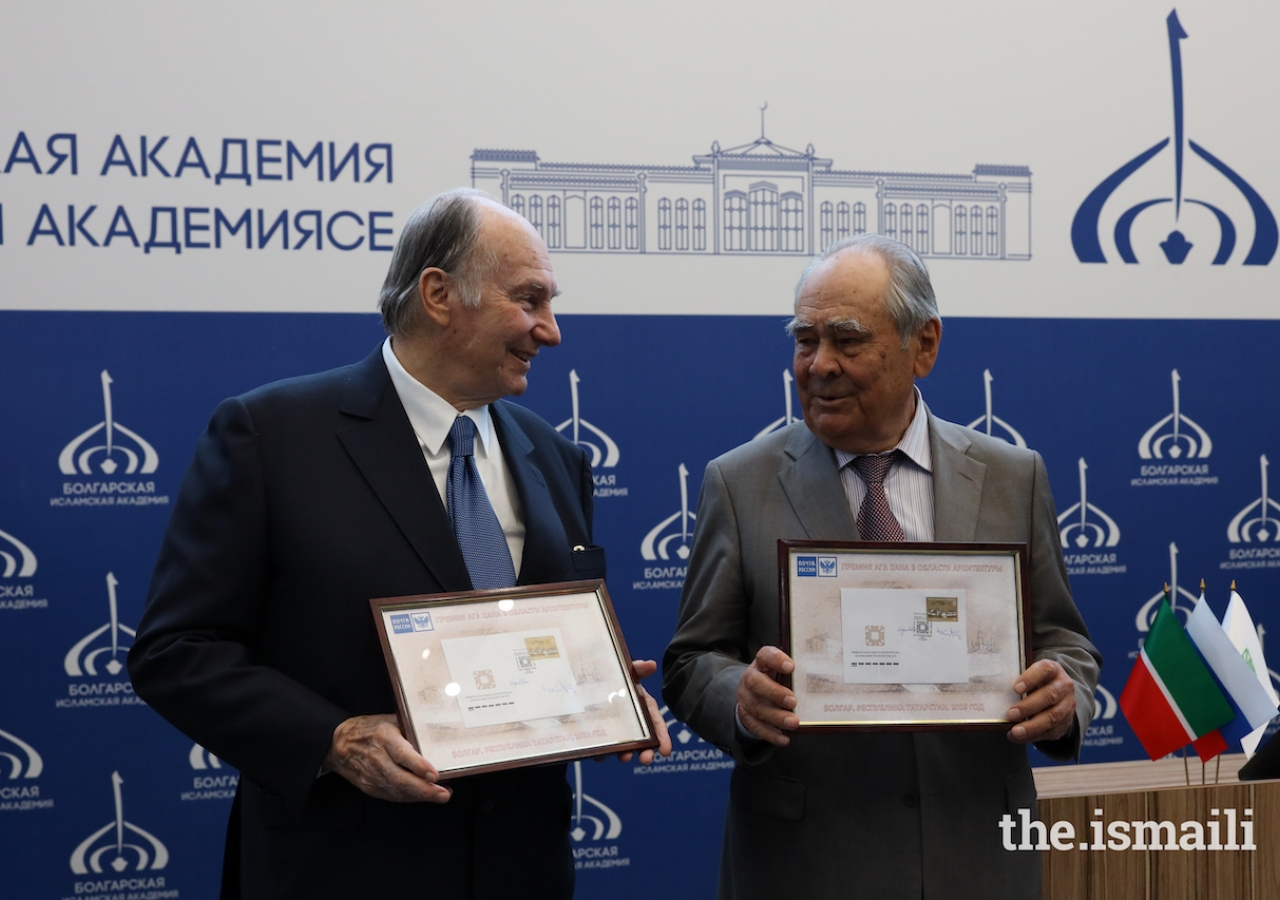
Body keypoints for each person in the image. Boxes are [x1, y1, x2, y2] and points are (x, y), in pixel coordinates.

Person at [128, 188, 668, 900]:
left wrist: (596, 692)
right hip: (343, 868)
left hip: (521, 866)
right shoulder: (273, 436)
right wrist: (332, 738)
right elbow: (176, 652)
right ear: (440, 295)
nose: (551, 330)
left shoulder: (554, 456)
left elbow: (530, 641)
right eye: (530, 300)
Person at [662, 234, 1101, 900]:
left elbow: (1064, 640)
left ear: (923, 345)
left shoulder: (1014, 477)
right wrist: (740, 699)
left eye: (847, 340)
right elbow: (693, 661)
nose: (820, 365)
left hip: (979, 856)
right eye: (804, 340)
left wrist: (1064, 693)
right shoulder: (738, 482)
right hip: (805, 864)